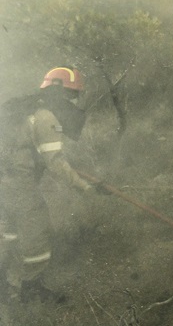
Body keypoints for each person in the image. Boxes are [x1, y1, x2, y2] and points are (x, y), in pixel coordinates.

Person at [0, 67, 105, 304]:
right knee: (38, 232)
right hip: (19, 185)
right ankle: (31, 289)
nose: (74, 101)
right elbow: (55, 161)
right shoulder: (46, 116)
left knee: (7, 234)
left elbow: (37, 151)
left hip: (4, 183)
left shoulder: (25, 110)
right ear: (63, 92)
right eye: (73, 94)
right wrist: (85, 187)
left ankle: (4, 288)